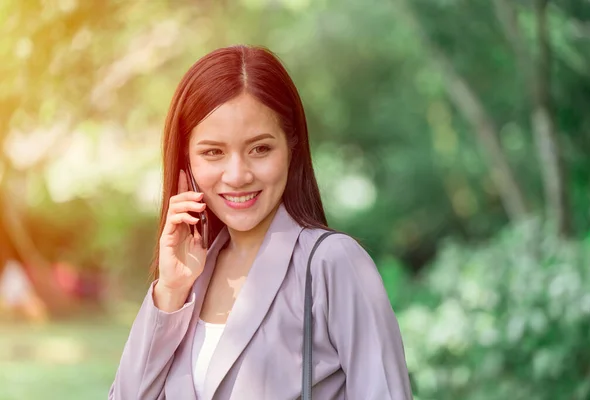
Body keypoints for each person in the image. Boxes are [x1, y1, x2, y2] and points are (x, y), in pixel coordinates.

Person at [109, 45, 413, 400]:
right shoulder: (191, 280)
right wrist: (170, 292)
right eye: (213, 152)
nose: (237, 175)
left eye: (260, 149)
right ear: (186, 162)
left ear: (291, 149)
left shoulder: (333, 264)